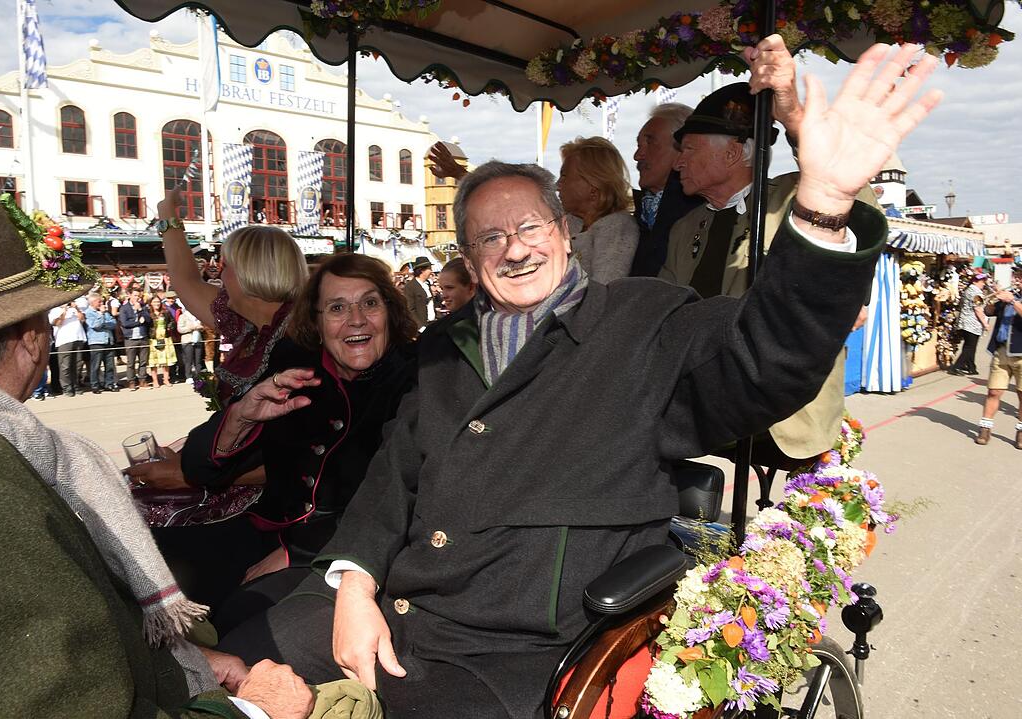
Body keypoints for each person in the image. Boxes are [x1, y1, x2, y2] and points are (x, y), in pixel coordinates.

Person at [210, 40, 941, 717]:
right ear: (470, 258)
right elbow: (391, 480)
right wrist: (354, 580)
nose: (515, 248)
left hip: (508, 653)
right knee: (227, 659)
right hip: (394, 609)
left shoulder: (645, 319)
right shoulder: (442, 349)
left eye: (530, 227)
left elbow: (766, 356)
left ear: (565, 233)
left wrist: (823, 204)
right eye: (491, 237)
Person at [0, 163, 330, 719]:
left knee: (178, 556)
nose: (214, 270)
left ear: (247, 271)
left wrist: (189, 471)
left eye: (223, 262)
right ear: (31, 339)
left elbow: (310, 455)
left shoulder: (301, 340)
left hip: (276, 503)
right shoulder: (239, 322)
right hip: (223, 479)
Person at [135, 254, 418, 627]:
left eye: (370, 303)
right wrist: (240, 418)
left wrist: (296, 551)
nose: (356, 319)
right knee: (145, 565)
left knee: (240, 616)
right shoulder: (295, 361)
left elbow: (401, 494)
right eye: (337, 307)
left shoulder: (414, 378)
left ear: (390, 312)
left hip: (347, 549)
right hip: (269, 526)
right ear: (316, 321)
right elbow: (202, 467)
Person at [660, 38, 881, 462]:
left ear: (733, 153)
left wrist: (795, 119)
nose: (677, 162)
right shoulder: (686, 228)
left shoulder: (793, 201)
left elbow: (856, 203)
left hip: (782, 420)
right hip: (698, 411)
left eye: (688, 149)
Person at [158, 191, 308, 405]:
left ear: (250, 273)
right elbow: (186, 281)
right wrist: (167, 211)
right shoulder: (248, 326)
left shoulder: (304, 334)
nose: (220, 275)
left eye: (225, 266)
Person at [628, 103, 703, 277]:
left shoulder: (700, 211)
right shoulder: (640, 217)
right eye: (639, 145)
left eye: (650, 142)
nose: (637, 156)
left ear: (684, 149)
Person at [556, 136, 640, 283]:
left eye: (564, 176)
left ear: (593, 186)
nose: (557, 185)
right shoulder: (567, 225)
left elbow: (605, 287)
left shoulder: (617, 227)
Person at [974, 263, 1022, 447]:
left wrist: (1012, 301)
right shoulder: (1009, 295)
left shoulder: (1012, 298)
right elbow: (989, 311)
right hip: (1001, 351)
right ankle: (985, 428)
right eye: (1016, 276)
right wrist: (990, 298)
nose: (1016, 280)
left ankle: (1020, 432)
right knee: (993, 391)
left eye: (1020, 277)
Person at [949, 272, 989, 375]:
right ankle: (956, 367)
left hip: (965, 322)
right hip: (972, 323)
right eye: (982, 281)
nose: (983, 283)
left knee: (969, 345)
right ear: (975, 281)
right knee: (970, 347)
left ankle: (971, 367)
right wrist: (985, 323)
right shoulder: (976, 292)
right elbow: (978, 309)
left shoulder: (968, 290)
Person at [48, 299, 86, 396]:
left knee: (78, 364)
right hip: (64, 340)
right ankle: (67, 388)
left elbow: (82, 319)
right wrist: (64, 310)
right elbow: (58, 323)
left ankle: (76, 385)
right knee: (65, 366)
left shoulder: (74, 309)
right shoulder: (55, 310)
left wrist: (76, 308)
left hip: (78, 338)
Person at [85, 291, 118, 393]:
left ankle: (109, 384)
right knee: (96, 365)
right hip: (96, 342)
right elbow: (95, 325)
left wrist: (103, 322)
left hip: (108, 340)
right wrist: (101, 315)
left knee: (110, 365)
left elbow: (113, 323)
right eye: (99, 302)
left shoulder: (105, 312)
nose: (101, 304)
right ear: (92, 302)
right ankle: (95, 385)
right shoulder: (88, 313)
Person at [119, 288, 151, 390]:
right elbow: (125, 323)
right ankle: (131, 381)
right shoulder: (124, 308)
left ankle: (142, 380)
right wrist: (138, 323)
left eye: (139, 296)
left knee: (143, 361)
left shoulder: (143, 307)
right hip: (130, 338)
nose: (137, 298)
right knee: (131, 362)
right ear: (130, 295)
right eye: (135, 295)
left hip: (143, 337)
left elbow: (148, 320)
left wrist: (140, 310)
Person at [148, 295, 178, 388]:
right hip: (153, 339)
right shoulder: (148, 313)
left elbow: (173, 322)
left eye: (158, 302)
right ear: (151, 303)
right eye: (154, 302)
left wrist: (169, 327)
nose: (156, 304)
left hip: (165, 338)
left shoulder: (166, 312)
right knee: (153, 362)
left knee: (166, 361)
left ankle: (166, 379)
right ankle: (155, 381)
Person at [402, 256, 435, 328]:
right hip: (421, 327)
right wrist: (420, 327)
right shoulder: (410, 286)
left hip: (432, 324)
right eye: (429, 269)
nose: (431, 271)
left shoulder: (427, 284)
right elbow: (410, 309)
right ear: (422, 270)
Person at [177, 302, 206, 383]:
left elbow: (203, 327)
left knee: (198, 360)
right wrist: (192, 327)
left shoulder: (198, 316)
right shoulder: (182, 316)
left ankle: (198, 376)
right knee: (188, 360)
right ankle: (188, 376)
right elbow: (180, 329)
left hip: (198, 339)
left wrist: (201, 327)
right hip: (187, 341)